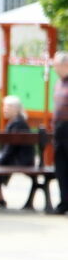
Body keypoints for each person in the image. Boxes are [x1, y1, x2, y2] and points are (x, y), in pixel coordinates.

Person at [0, 95, 33, 207]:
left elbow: (11, 149)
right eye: (4, 106)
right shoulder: (17, 122)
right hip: (18, 159)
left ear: (16, 109)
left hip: (20, 161)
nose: (5, 109)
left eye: (8, 107)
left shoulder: (17, 124)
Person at [53, 51, 68, 214]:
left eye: (57, 65)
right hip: (59, 130)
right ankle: (64, 202)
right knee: (61, 168)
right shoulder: (59, 83)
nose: (55, 68)